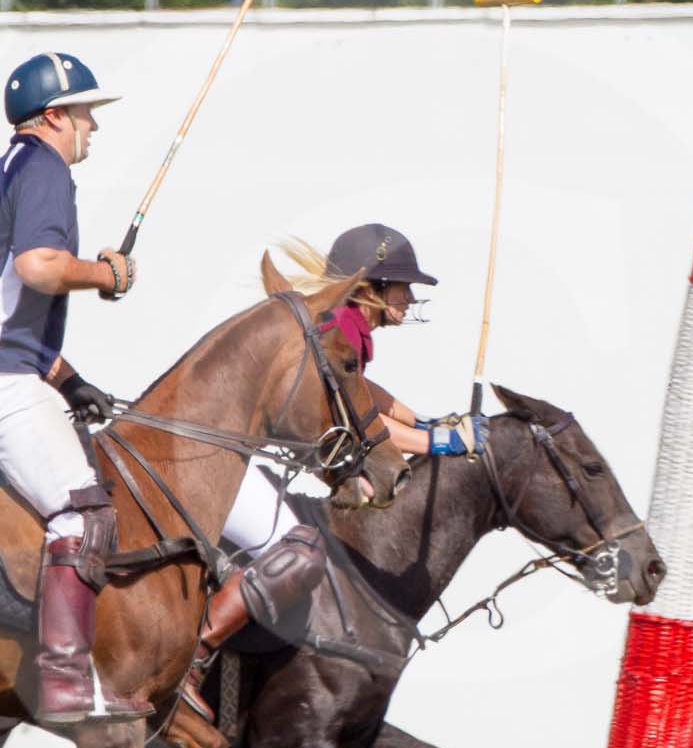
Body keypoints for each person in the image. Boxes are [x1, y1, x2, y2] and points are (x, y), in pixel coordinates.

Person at [0, 52, 152, 726]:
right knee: (81, 515)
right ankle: (69, 681)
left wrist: (68, 379)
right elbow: (39, 268)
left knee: (18, 521)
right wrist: (106, 275)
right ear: (53, 117)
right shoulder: (44, 168)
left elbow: (0, 304)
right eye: (84, 114)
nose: (92, 128)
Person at [179, 223, 487, 718]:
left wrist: (427, 419)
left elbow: (368, 397)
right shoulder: (339, 325)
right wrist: (438, 441)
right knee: (294, 550)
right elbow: (365, 422)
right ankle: (191, 661)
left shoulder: (351, 327)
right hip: (227, 462)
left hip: (239, 459)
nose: (409, 297)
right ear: (370, 288)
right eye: (402, 285)